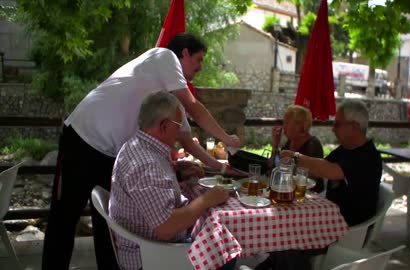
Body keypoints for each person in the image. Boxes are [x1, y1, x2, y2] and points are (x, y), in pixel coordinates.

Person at [42, 33, 241, 270]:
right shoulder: (164, 56)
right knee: (63, 220)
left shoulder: (168, 99)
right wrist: (228, 138)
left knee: (110, 227)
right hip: (82, 139)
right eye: (198, 60)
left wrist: (221, 168)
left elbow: (187, 141)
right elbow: (195, 108)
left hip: (110, 153)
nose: (200, 68)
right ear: (184, 53)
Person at [109, 92, 232, 270]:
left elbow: (154, 186)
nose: (181, 130)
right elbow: (166, 228)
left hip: (151, 245)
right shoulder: (145, 165)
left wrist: (178, 171)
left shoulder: (139, 146)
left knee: (216, 229)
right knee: (224, 247)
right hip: (154, 256)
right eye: (179, 124)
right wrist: (207, 200)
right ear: (164, 127)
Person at [257, 100, 381, 270]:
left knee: (289, 241)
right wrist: (288, 161)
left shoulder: (366, 155)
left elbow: (331, 171)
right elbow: (318, 170)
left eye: (337, 124)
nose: (332, 129)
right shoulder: (346, 149)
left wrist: (296, 157)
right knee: (282, 232)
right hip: (328, 217)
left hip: (348, 228)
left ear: (354, 126)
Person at [268, 105, 324, 191]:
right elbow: (273, 165)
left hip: (309, 194)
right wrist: (275, 145)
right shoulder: (290, 141)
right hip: (289, 190)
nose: (283, 127)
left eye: (287, 123)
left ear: (300, 126)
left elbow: (314, 177)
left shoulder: (313, 144)